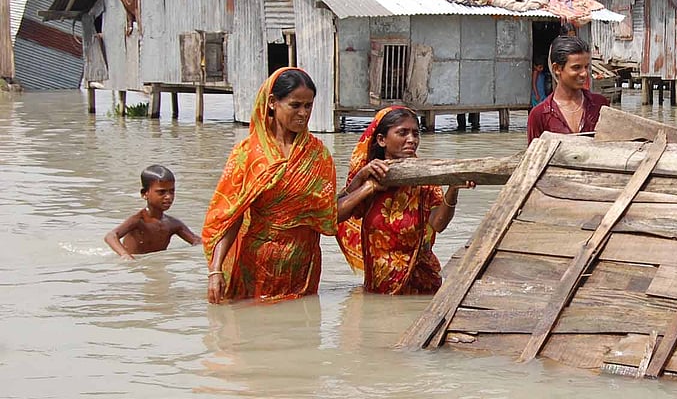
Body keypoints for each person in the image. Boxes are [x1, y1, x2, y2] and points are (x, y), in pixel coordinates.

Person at [203, 68, 337, 304]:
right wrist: (215, 270)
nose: (303, 113)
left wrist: (364, 183)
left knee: (302, 323)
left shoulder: (317, 155)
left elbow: (329, 214)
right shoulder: (248, 153)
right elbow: (231, 216)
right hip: (258, 263)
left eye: (308, 106)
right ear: (273, 102)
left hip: (303, 264)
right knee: (253, 321)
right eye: (295, 105)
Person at [336, 106, 474, 295]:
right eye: (402, 133)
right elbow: (333, 216)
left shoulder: (425, 177)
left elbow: (438, 224)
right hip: (378, 288)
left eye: (415, 134)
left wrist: (453, 188)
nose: (412, 140)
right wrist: (366, 184)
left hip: (422, 287)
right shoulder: (369, 177)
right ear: (382, 140)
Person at [104, 165, 200, 258]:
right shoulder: (138, 220)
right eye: (161, 192)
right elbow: (111, 236)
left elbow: (197, 241)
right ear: (145, 194)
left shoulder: (173, 224)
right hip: (135, 266)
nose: (168, 197)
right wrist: (125, 255)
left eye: (172, 191)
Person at [526, 35, 608, 143]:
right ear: (557, 68)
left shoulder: (600, 105)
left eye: (586, 67)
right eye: (576, 67)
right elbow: (535, 152)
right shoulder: (540, 115)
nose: (584, 73)